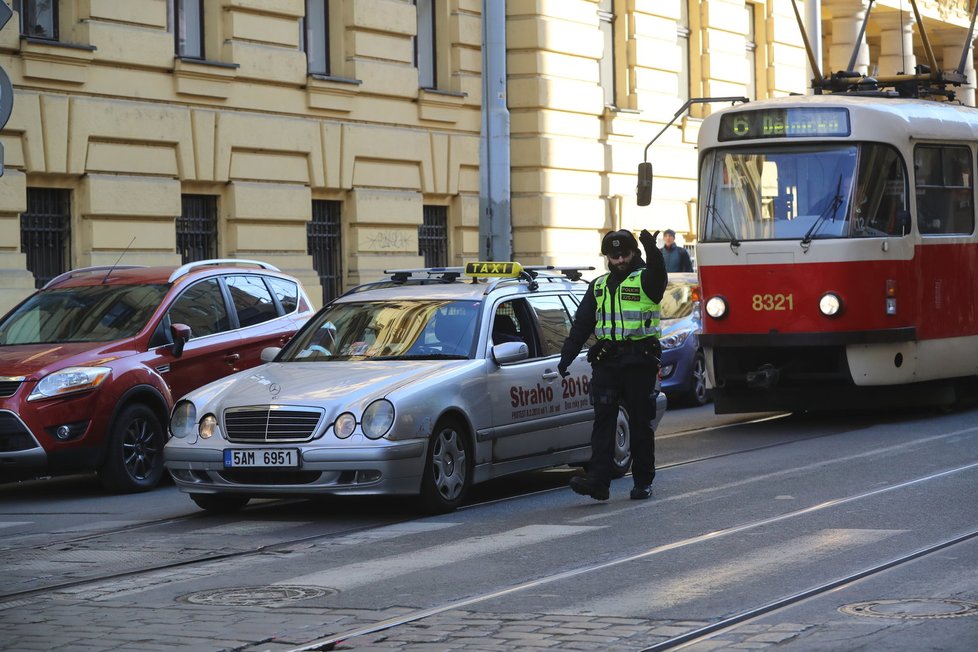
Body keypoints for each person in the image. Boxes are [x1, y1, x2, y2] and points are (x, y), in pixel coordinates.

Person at [557, 229, 667, 501]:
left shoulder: (646, 280)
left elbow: (659, 277)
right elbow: (582, 325)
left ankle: (643, 481)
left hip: (639, 362)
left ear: (634, 254)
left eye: (624, 254)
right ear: (607, 257)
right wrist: (566, 357)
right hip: (607, 362)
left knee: (640, 423)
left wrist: (652, 250)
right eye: (613, 255)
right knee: (603, 421)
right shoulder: (598, 286)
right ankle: (598, 481)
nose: (619, 260)